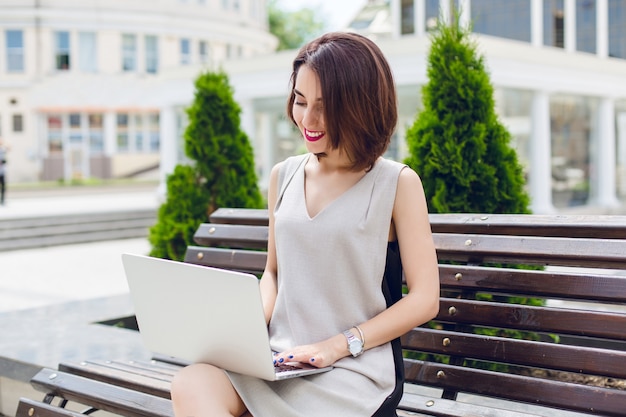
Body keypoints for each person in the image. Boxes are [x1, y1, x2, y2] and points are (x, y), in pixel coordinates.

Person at [170, 31, 440, 417]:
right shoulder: (284, 175)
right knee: (192, 383)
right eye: (300, 101)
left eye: (324, 106)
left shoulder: (397, 183)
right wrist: (237, 333)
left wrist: (337, 345)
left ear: (360, 106)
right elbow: (274, 275)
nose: (307, 120)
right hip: (279, 361)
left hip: (350, 369)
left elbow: (425, 298)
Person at [0, 138, 7, 205]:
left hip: (2, 172)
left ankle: (2, 199)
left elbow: (9, 147)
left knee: (3, 186)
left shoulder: (2, 149)